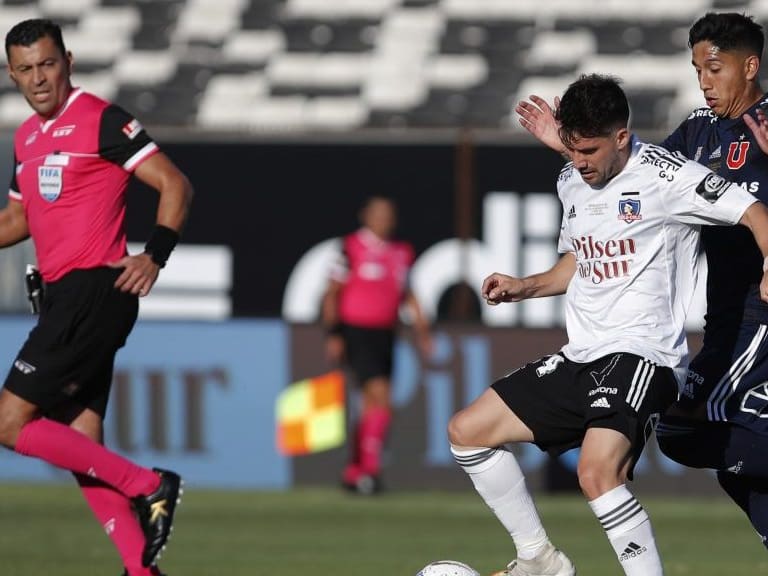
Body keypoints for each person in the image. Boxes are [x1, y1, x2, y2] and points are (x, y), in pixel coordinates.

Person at [449, 73, 768, 576]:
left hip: (643, 355)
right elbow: (577, 262)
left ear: (623, 137)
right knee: (467, 432)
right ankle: (539, 558)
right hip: (583, 354)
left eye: (589, 150)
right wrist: (524, 286)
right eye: (571, 149)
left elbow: (752, 211)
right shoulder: (571, 180)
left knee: (597, 471)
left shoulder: (668, 177)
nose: (579, 162)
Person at [516, 12, 768, 549]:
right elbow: (641, 173)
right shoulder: (698, 131)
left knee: (702, 428)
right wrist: (566, 143)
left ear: (751, 66)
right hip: (724, 315)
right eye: (697, 68)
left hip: (760, 311)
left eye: (715, 68)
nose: (704, 80)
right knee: (701, 440)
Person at [0, 19, 193, 576]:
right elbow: (19, 217)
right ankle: (141, 570)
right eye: (26, 70)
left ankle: (151, 484)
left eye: (48, 64)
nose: (39, 79)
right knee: (83, 446)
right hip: (63, 298)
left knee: (9, 422)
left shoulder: (101, 118)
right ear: (11, 75)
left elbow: (175, 184)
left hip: (95, 290)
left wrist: (154, 253)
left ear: (69, 61)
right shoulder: (26, 138)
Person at [322, 196, 431, 494]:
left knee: (372, 404)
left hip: (385, 335)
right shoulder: (349, 248)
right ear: (366, 217)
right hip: (356, 331)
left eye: (389, 215)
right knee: (380, 397)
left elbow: (408, 293)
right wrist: (333, 333)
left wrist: (423, 333)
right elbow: (332, 293)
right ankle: (370, 472)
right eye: (379, 214)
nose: (384, 220)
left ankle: (354, 470)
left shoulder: (401, 252)